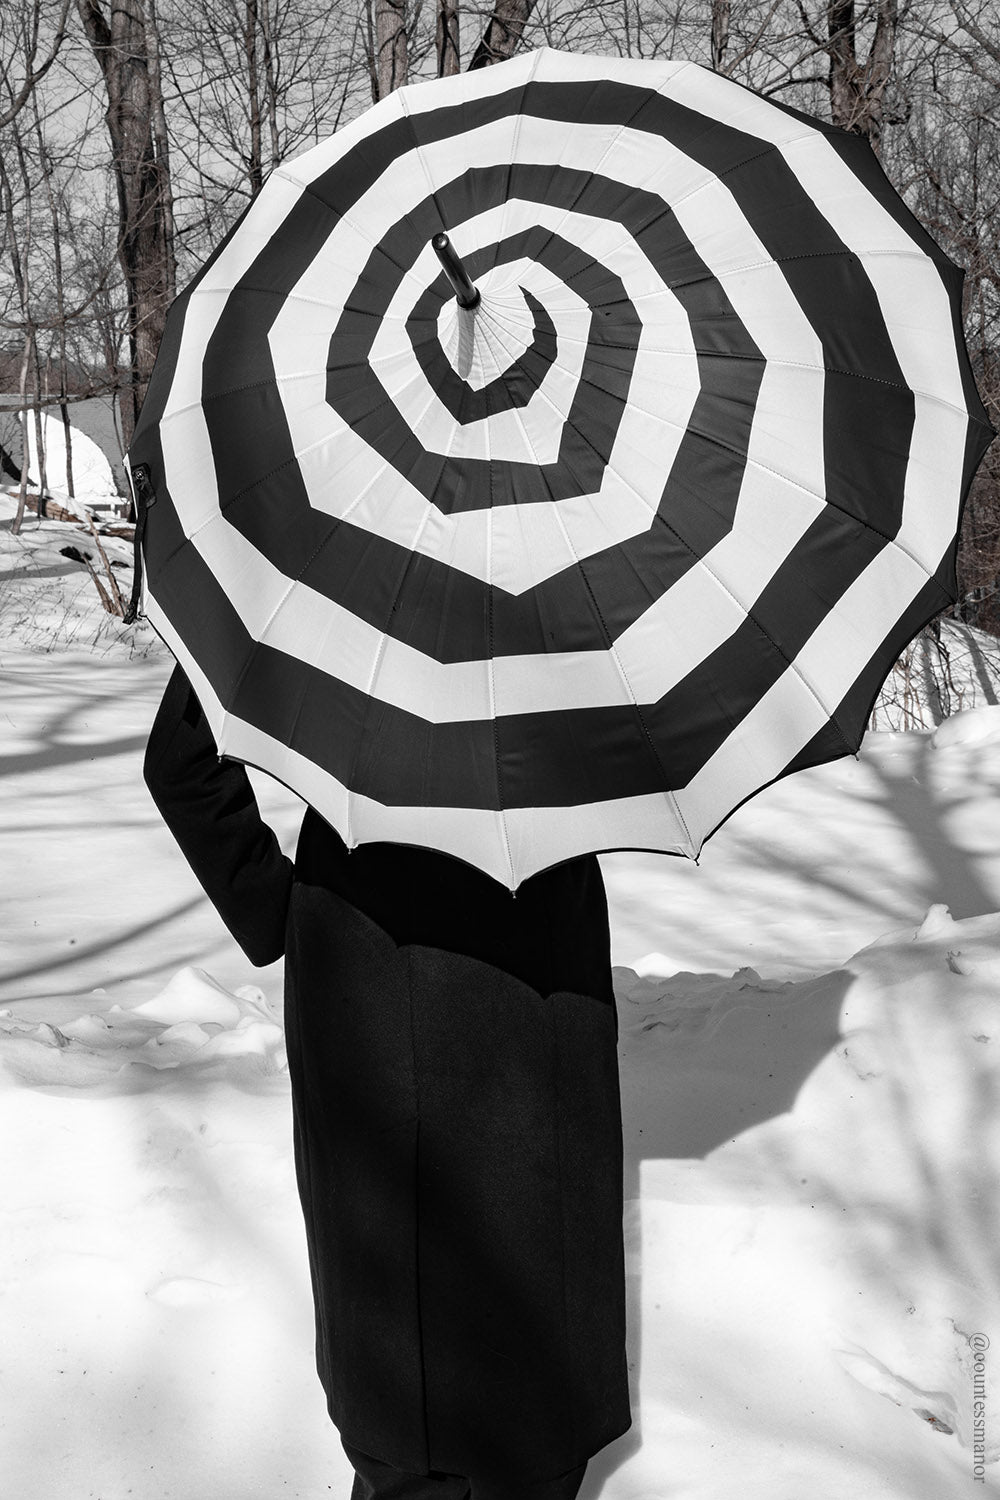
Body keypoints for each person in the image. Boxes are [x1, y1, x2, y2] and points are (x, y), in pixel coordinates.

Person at [144, 661, 631, 1499]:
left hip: (368, 957)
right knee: (534, 1336)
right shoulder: (589, 579)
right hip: (534, 947)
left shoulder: (320, 548)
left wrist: (280, 910)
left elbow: (183, 762)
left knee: (401, 1358)